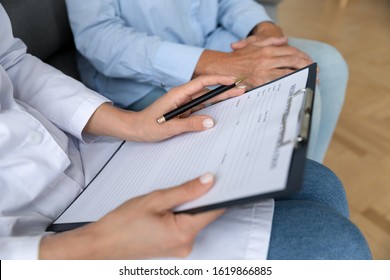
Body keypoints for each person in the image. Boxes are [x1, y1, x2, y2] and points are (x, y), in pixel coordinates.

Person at [0, 4, 371, 260]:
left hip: (81, 153)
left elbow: (11, 60)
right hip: (37, 241)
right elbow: (101, 38)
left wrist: (130, 123)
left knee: (317, 182)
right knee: (340, 247)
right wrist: (89, 247)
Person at [65, 0, 349, 163]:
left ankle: (308, 180)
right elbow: (99, 37)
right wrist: (223, 63)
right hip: (140, 73)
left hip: (215, 39)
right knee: (295, 86)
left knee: (326, 66)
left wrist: (263, 29)